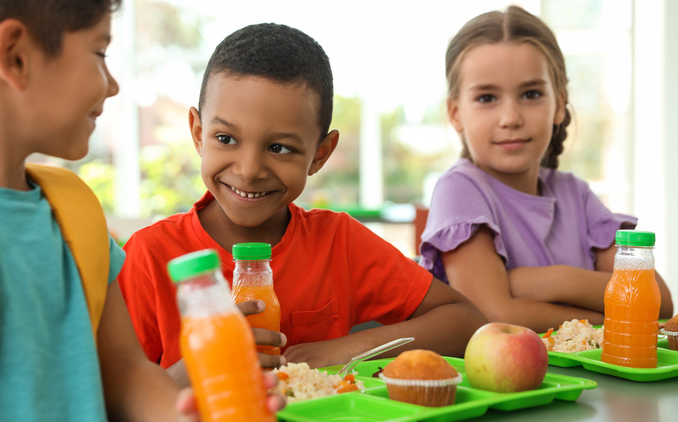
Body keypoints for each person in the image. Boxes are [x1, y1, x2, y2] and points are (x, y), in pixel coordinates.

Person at [0, 1, 282, 422]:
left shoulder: (74, 213)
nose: (113, 85)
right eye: (99, 54)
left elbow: (123, 373)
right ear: (15, 56)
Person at [119, 22, 487, 386]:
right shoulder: (151, 257)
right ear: (199, 135)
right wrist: (203, 363)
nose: (248, 171)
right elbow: (116, 393)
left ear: (320, 155)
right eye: (226, 138)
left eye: (279, 147)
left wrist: (347, 348)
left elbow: (463, 319)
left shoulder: (338, 243)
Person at [419, 5, 673, 333]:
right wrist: (620, 314)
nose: (510, 117)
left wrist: (555, 280)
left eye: (531, 94)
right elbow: (495, 317)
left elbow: (660, 300)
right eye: (486, 98)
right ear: (455, 113)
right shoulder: (460, 189)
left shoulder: (575, 194)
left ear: (559, 104)